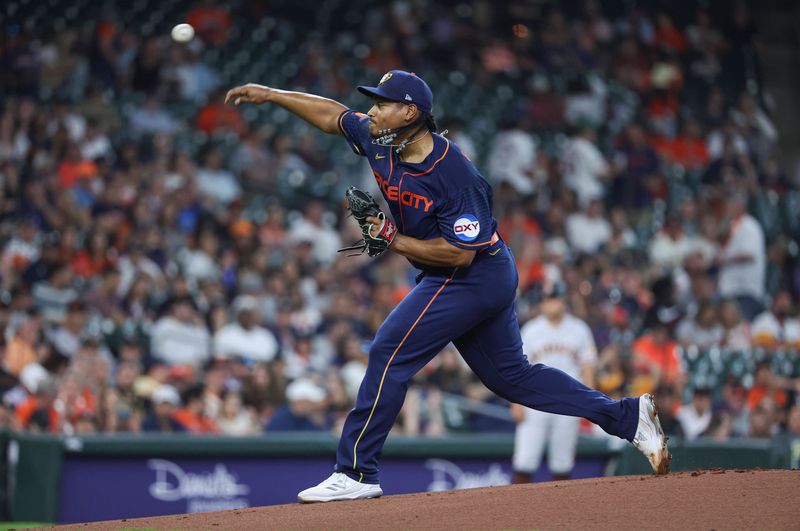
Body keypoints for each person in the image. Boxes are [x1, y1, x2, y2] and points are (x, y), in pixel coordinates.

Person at [226, 70, 670, 503]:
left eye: (381, 103)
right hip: (464, 274)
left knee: (387, 350)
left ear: (409, 112)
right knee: (512, 378)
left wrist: (391, 239)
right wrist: (271, 94)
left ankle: (356, 471)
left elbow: (459, 254)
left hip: (473, 274)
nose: (372, 110)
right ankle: (627, 417)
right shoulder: (381, 138)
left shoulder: (456, 173)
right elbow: (334, 116)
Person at [510, 282, 598, 483]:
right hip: (534, 402)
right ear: (542, 303)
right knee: (524, 461)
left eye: (555, 299)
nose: (551, 304)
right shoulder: (531, 330)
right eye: (547, 300)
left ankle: (560, 512)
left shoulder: (579, 329)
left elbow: (588, 367)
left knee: (562, 464)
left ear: (563, 301)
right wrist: (515, 403)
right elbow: (516, 370)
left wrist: (590, 402)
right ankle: (514, 510)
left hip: (569, 401)